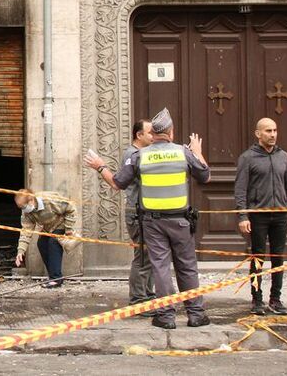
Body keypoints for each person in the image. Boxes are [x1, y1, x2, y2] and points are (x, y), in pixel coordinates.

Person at [84, 107, 211, 329]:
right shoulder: (183, 152)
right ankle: (196, 314)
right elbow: (205, 176)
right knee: (187, 266)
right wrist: (198, 151)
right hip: (180, 220)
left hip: (152, 223)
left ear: (153, 135)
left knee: (160, 267)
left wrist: (100, 166)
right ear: (171, 132)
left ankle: (166, 316)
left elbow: (116, 183)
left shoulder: (139, 156)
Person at [234, 117, 287, 315]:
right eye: (268, 131)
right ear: (258, 133)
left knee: (278, 258)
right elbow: (240, 189)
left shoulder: (284, 157)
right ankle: (256, 298)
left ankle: (276, 298)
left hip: (280, 215)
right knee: (257, 258)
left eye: (275, 130)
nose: (272, 134)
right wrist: (243, 216)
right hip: (258, 216)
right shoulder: (247, 157)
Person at [121, 119, 156, 312]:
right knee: (142, 257)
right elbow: (121, 182)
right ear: (139, 135)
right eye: (150, 132)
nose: (153, 136)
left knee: (149, 255)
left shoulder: (143, 154)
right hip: (137, 212)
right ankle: (138, 299)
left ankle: (148, 295)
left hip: (145, 211)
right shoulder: (133, 155)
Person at [14, 188, 78, 288]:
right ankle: (54, 275)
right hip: (48, 228)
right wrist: (21, 251)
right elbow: (26, 231)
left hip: (61, 223)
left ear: (31, 200)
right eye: (20, 207)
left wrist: (69, 229)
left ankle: (56, 279)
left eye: (23, 206)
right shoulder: (26, 212)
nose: (23, 209)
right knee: (41, 244)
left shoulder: (49, 200)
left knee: (53, 242)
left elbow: (71, 207)